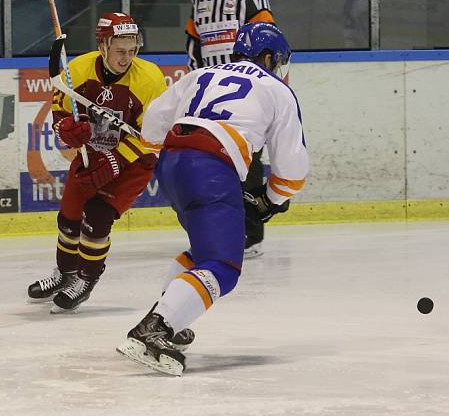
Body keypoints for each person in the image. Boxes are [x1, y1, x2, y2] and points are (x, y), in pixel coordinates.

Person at [118, 22, 308, 375]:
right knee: (223, 266)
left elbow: (151, 129)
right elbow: (292, 171)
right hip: (211, 168)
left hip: (172, 165)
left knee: (205, 252)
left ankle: (167, 315)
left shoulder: (200, 75)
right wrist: (269, 201)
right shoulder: (275, 89)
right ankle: (155, 329)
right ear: (268, 57)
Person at [27, 12, 167, 313]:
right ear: (103, 46)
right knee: (68, 217)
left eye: (132, 51)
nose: (125, 58)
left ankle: (86, 279)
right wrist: (64, 128)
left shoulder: (150, 79)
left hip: (133, 163)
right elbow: (61, 108)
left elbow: (154, 135)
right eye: (119, 51)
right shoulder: (77, 69)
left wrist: (116, 161)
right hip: (92, 154)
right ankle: (65, 274)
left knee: (98, 217)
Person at [185, 0, 277, 258]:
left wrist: (263, 83)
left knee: (247, 160)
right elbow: (194, 45)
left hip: (246, 90)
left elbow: (266, 38)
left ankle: (251, 234)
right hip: (211, 93)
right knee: (216, 164)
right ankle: (223, 230)